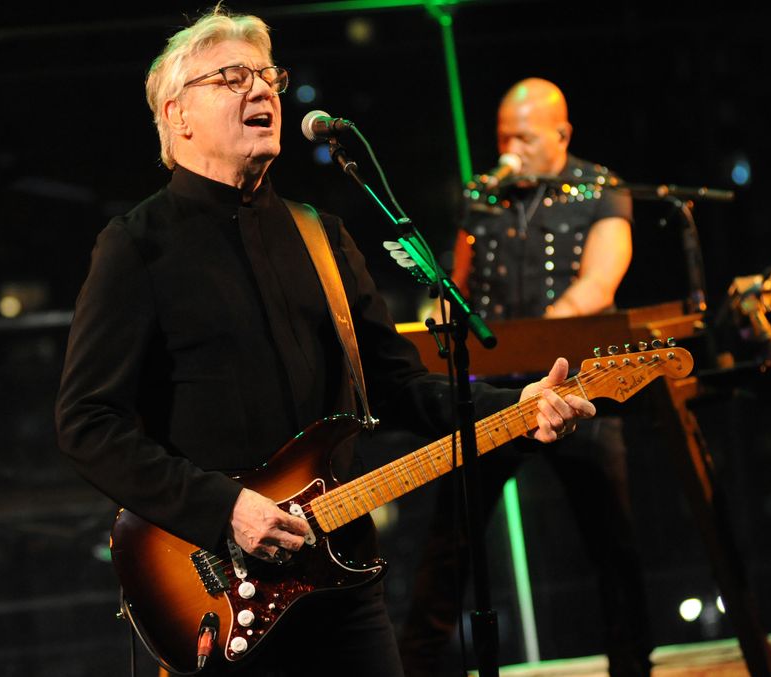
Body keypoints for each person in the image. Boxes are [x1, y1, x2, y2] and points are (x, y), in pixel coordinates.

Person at [53, 9, 597, 676]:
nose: (261, 90)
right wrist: (225, 508)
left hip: (342, 578)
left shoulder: (323, 237)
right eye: (232, 77)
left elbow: (398, 388)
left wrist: (520, 407)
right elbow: (85, 422)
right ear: (177, 114)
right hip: (219, 594)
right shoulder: (136, 246)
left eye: (267, 75)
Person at [399, 78, 652, 676]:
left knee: (611, 541)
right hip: (492, 393)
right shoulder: (482, 196)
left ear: (562, 134)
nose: (510, 147)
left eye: (524, 136)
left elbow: (599, 283)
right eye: (503, 136)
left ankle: (633, 666)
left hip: (575, 387)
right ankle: (413, 666)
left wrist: (542, 337)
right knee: (449, 541)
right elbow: (457, 282)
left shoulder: (602, 189)